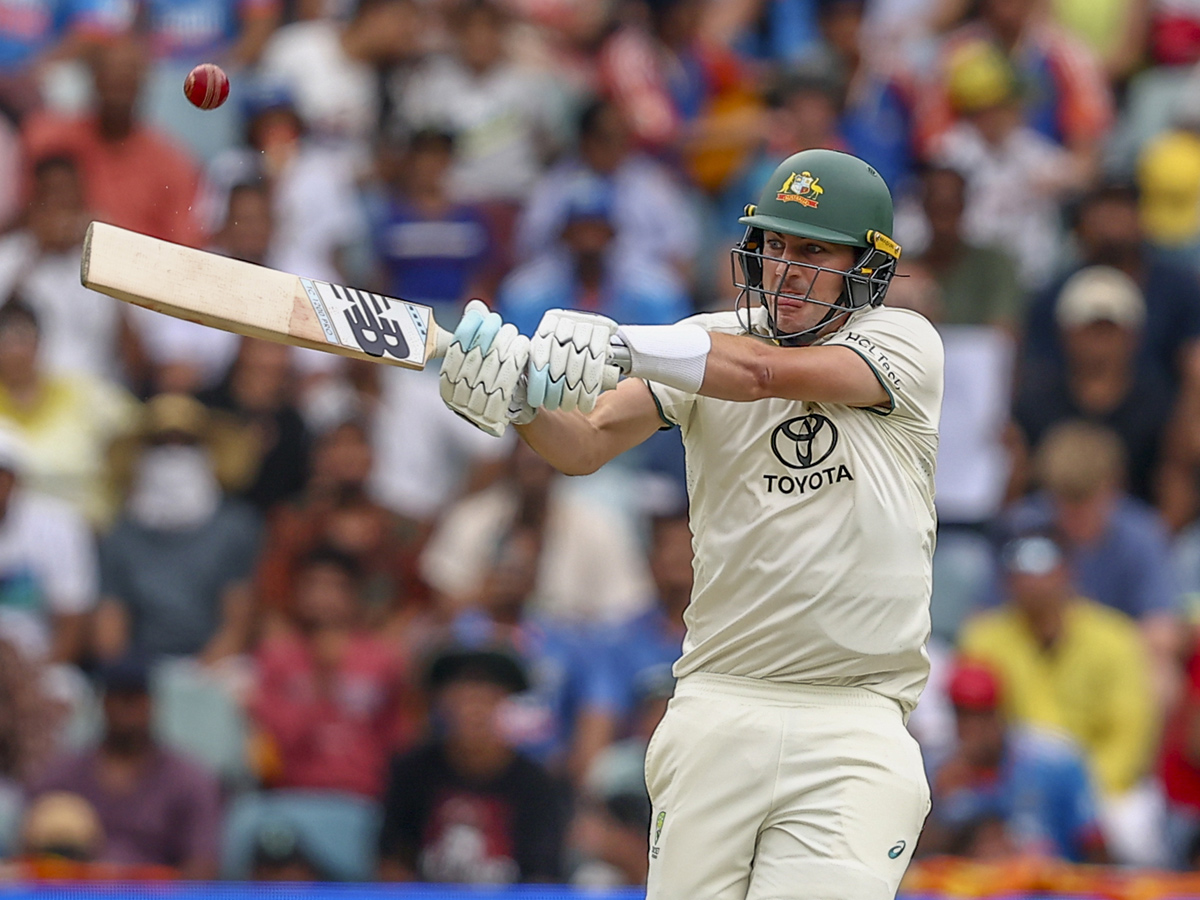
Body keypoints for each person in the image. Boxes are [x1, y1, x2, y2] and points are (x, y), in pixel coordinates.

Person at [438, 147, 943, 899]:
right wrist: (517, 402)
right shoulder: (704, 340)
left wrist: (622, 341)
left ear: (868, 265)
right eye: (773, 246)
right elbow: (587, 441)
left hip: (855, 721)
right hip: (718, 702)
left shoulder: (903, 342)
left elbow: (758, 373)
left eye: (812, 251)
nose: (787, 270)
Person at [377, 644, 566, 883]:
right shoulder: (412, 771)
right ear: (441, 704)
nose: (474, 711)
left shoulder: (535, 782)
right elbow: (393, 861)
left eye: (487, 700)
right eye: (463, 699)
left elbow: (542, 876)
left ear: (505, 704)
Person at [25, 657, 222, 877]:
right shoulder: (64, 774)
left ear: (153, 704)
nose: (127, 709)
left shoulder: (187, 778)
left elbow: (202, 862)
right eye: (118, 698)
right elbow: (29, 855)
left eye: (135, 699)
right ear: (103, 703)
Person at [919, 660, 1107, 863]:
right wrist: (939, 801)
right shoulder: (939, 770)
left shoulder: (1055, 761)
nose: (973, 728)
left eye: (982, 714)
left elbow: (1095, 847)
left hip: (1051, 885)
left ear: (1001, 712)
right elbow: (918, 858)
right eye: (963, 715)